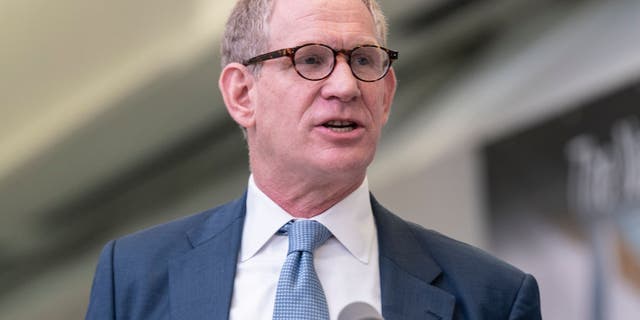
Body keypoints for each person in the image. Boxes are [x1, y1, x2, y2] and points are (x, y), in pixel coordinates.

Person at [85, 0, 542, 319]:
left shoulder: (490, 297)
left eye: (364, 60)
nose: (345, 86)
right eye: (310, 59)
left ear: (386, 96)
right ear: (242, 94)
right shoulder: (134, 277)